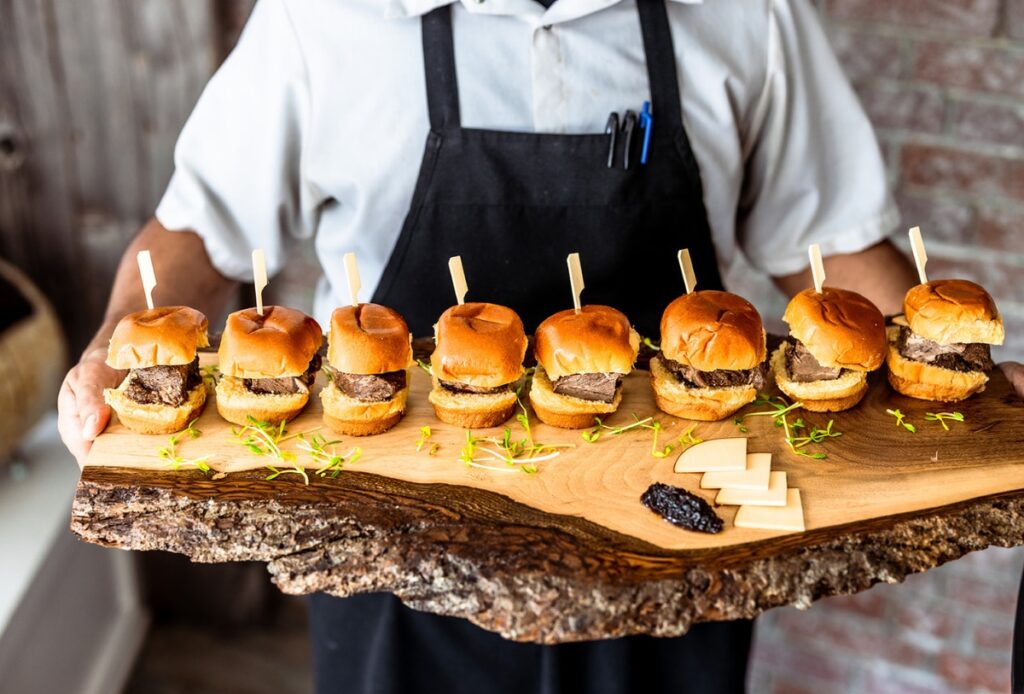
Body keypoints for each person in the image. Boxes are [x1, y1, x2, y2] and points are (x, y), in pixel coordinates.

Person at [58, 1, 1024, 692]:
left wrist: (956, 380)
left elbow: (841, 242)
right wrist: (113, 344)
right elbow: (195, 234)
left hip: (672, 540)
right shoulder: (320, 21)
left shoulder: (746, 15)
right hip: (399, 540)